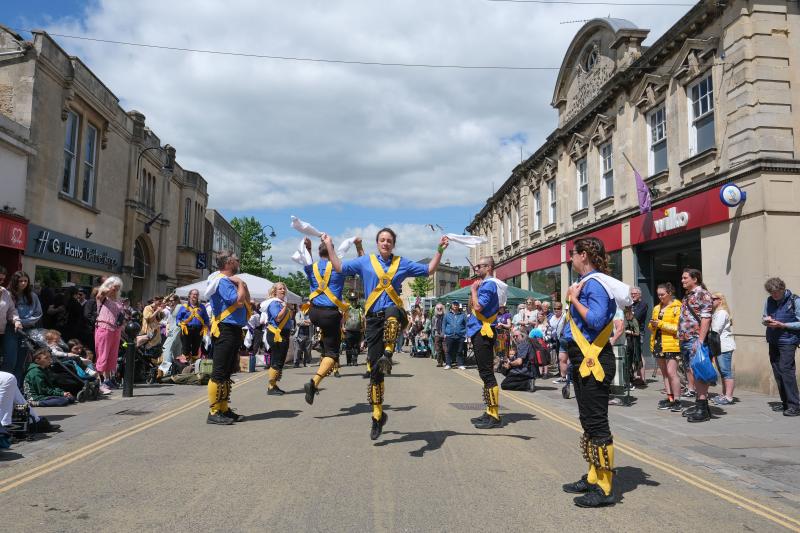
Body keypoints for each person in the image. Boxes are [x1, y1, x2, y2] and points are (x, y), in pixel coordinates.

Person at [323, 228, 448, 440]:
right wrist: (329, 245)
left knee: (391, 314)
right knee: (375, 373)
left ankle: (388, 353)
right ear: (377, 243)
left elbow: (429, 269)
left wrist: (440, 250)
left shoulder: (402, 263)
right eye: (382, 240)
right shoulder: (365, 262)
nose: (385, 243)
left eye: (389, 240)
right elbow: (339, 267)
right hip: (373, 319)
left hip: (394, 312)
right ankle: (377, 415)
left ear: (393, 244)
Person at [561, 237, 618, 508]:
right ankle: (594, 476)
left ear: (583, 255)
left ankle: (605, 489)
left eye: (573, 253)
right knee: (588, 422)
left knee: (597, 423)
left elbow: (595, 320)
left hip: (594, 358)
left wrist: (573, 298)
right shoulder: (587, 282)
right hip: (582, 356)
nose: (570, 258)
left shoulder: (595, 284)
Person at [301, 237, 365, 405]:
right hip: (329, 314)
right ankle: (314, 382)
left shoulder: (311, 268)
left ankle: (321, 344)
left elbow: (307, 259)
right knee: (332, 353)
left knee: (326, 338)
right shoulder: (339, 268)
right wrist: (358, 245)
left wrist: (308, 248)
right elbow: (361, 263)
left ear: (318, 252)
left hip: (313, 313)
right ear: (332, 252)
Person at [206, 252, 250, 425]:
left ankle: (223, 408)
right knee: (219, 371)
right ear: (229, 262)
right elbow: (238, 301)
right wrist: (241, 284)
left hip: (233, 328)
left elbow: (246, 300)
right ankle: (214, 411)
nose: (238, 262)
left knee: (227, 372)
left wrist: (241, 285)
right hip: (225, 329)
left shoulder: (228, 281)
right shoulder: (223, 281)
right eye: (236, 259)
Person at [466, 255, 508, 430]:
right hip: (479, 331)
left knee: (487, 373)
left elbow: (478, 307)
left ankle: (494, 415)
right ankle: (489, 410)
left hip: (483, 332)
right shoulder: (485, 284)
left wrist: (473, 290)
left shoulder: (489, 285)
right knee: (484, 374)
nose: (476, 268)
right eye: (476, 266)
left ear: (489, 267)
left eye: (480, 266)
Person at [678, 268, 714, 422]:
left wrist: (700, 340)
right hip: (686, 339)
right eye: (682, 278)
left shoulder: (702, 294)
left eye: (685, 278)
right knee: (692, 372)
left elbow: (706, 318)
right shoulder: (688, 295)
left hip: (695, 339)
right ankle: (701, 406)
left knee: (699, 372)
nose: (682, 280)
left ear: (695, 279)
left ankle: (702, 409)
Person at [762, 277, 800, 416]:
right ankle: (786, 403)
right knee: (778, 371)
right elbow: (764, 316)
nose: (774, 295)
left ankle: (795, 405)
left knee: (786, 370)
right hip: (773, 339)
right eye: (771, 293)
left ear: (783, 289)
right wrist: (766, 321)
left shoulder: (795, 300)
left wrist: (783, 325)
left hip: (788, 341)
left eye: (776, 292)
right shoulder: (769, 300)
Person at [649, 283, 682, 411]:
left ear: (670, 293)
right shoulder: (657, 308)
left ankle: (678, 400)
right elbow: (652, 327)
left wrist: (660, 324)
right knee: (664, 373)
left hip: (672, 343)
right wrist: (652, 325)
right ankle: (670, 398)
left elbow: (678, 328)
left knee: (671, 372)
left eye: (662, 294)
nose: (660, 297)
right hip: (658, 342)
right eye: (658, 295)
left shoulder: (677, 307)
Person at [4, 271, 41, 385]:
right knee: (10, 360)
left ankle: (16, 388)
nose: (23, 283)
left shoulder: (33, 296)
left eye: (26, 281)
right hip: (11, 329)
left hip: (27, 331)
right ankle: (4, 387)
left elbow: (38, 313)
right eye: (21, 281)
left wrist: (23, 322)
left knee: (21, 362)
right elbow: (7, 312)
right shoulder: (8, 294)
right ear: (15, 281)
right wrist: (16, 321)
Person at [94, 276, 125, 394]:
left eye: (118, 287)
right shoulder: (103, 297)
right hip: (104, 327)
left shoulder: (118, 300)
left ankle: (107, 380)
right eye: (115, 287)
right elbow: (100, 294)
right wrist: (109, 286)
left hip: (116, 329)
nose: (116, 289)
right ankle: (100, 382)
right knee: (103, 355)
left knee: (112, 355)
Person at [262, 282, 291, 396]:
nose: (283, 290)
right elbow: (278, 318)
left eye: (284, 288)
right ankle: (271, 386)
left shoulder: (281, 303)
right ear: (274, 292)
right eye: (280, 289)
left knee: (280, 360)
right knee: (277, 360)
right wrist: (285, 307)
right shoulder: (274, 303)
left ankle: (274, 385)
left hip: (283, 334)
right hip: (276, 334)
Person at [711, 292, 736, 406]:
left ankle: (729, 397)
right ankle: (724, 394)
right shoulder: (717, 312)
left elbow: (716, 329)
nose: (711, 301)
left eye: (713, 299)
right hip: (719, 346)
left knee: (726, 372)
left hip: (724, 346)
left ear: (720, 300)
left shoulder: (721, 313)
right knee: (722, 372)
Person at [174, 289, 210, 363]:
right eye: (193, 294)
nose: (195, 296)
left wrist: (206, 326)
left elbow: (206, 318)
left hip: (198, 330)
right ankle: (184, 366)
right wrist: (180, 324)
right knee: (185, 349)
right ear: (189, 295)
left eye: (196, 294)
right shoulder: (184, 307)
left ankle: (193, 365)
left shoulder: (202, 307)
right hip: (186, 329)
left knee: (196, 349)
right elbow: (178, 318)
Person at [443, 302, 467, 370]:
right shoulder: (447, 314)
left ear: (458, 306)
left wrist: (466, 334)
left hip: (460, 335)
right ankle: (448, 364)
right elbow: (444, 324)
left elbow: (466, 324)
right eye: (454, 305)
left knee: (460, 350)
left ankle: (460, 364)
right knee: (449, 350)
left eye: (457, 305)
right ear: (452, 306)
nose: (455, 306)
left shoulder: (463, 315)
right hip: (449, 335)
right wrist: (444, 333)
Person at [343, 294, 365, 367]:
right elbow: (343, 318)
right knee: (348, 347)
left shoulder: (360, 308)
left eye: (354, 300)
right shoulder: (347, 308)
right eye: (351, 300)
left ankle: (355, 360)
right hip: (348, 330)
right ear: (350, 301)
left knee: (356, 347)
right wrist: (343, 327)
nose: (353, 301)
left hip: (357, 331)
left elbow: (363, 319)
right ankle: (349, 361)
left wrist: (363, 328)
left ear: (356, 300)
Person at [549, 302, 568, 383]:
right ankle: (562, 376)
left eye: (558, 308)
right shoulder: (552, 318)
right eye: (555, 308)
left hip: (565, 339)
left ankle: (569, 377)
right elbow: (550, 328)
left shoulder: (565, 316)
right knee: (560, 358)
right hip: (557, 339)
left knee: (566, 358)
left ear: (561, 308)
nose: (556, 310)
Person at [623, 307, 641, 389]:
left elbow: (637, 333)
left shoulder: (633, 320)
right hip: (625, 343)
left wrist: (628, 331)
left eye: (626, 313)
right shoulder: (624, 319)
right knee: (625, 363)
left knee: (629, 363)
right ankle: (626, 381)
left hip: (631, 343)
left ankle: (629, 381)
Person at [294, 300, 312, 368]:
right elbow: (298, 322)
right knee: (298, 350)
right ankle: (296, 363)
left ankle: (306, 363)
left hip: (308, 334)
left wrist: (304, 321)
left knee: (308, 350)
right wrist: (307, 322)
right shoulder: (298, 313)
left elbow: (312, 321)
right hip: (300, 335)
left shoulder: (310, 314)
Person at [494, 305, 512, 372]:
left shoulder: (507, 315)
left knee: (505, 351)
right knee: (498, 350)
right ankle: (497, 366)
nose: (500, 309)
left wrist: (502, 324)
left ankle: (504, 367)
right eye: (499, 308)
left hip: (504, 334)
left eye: (501, 308)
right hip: (497, 334)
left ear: (504, 308)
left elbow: (509, 325)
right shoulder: (496, 315)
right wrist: (496, 326)